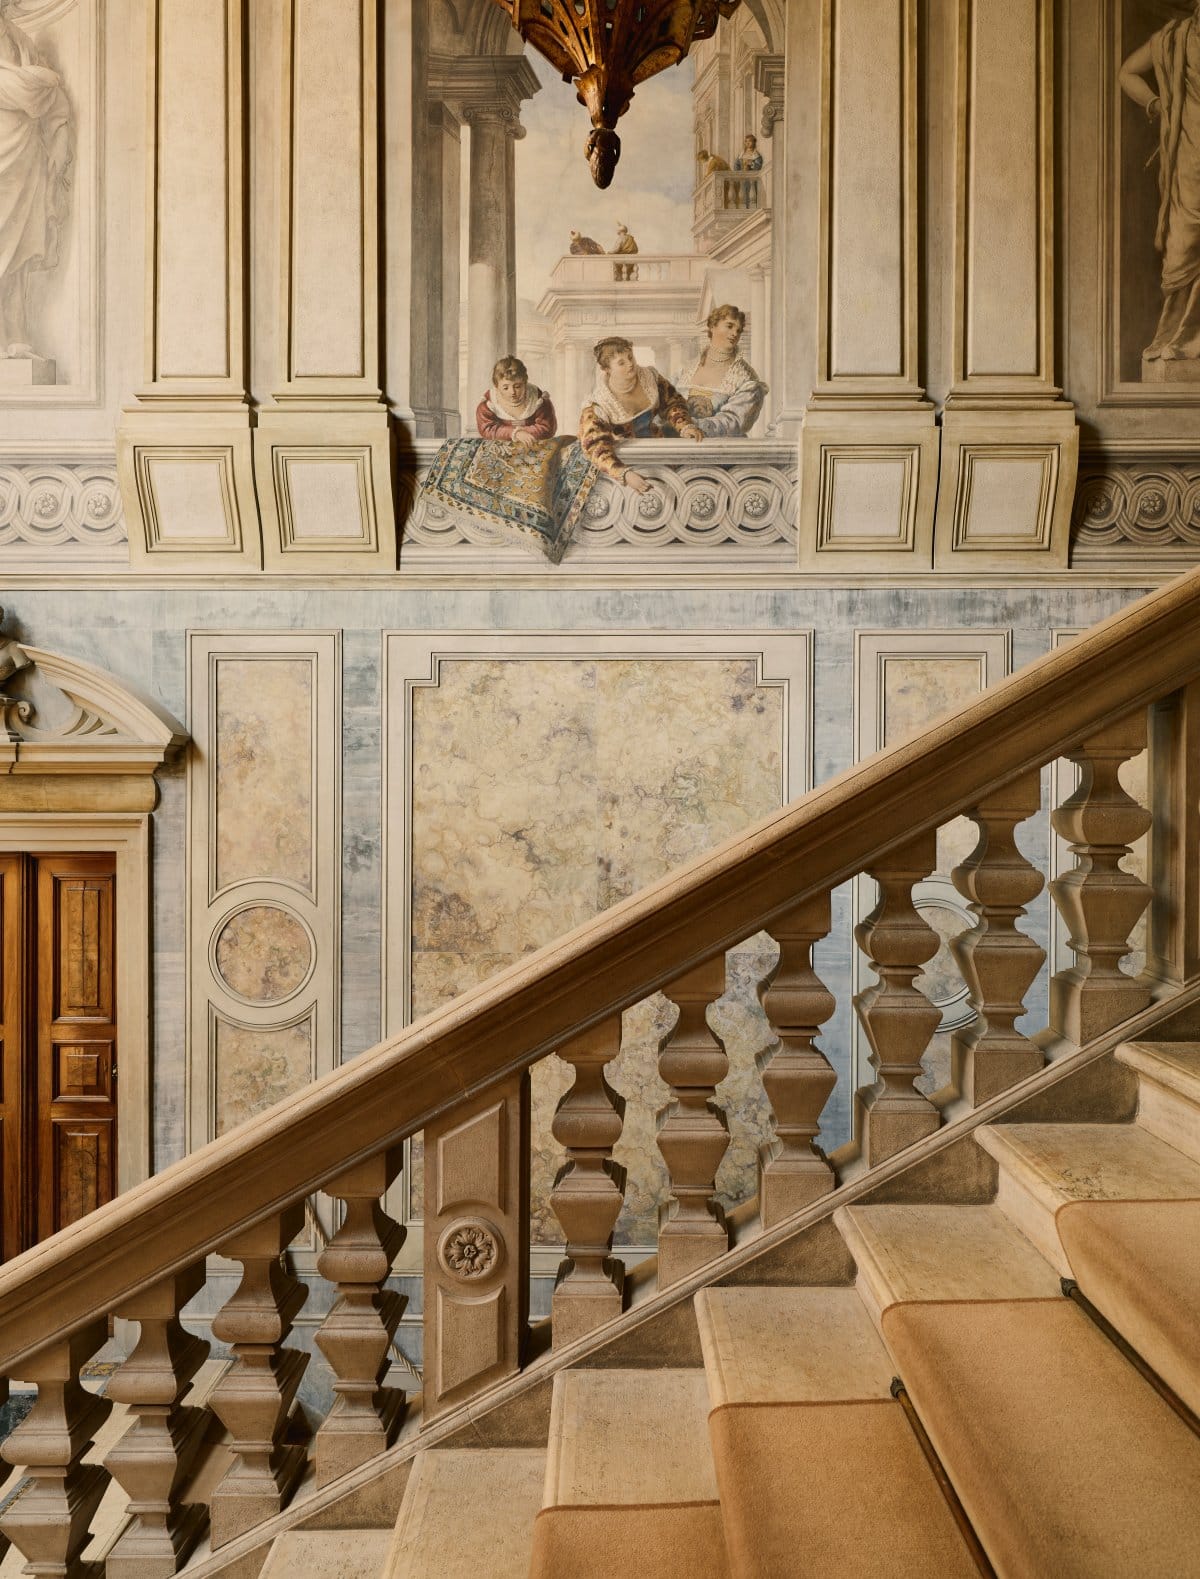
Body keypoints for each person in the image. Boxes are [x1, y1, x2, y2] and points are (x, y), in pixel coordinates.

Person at [1119, 5, 1200, 363]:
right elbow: (1126, 73)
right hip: (1187, 159)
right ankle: (1178, 337)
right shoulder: (1173, 39)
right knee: (1182, 246)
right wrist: (1155, 104)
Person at [0, 0, 72, 361]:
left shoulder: (21, 40)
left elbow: (52, 101)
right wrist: (31, 84)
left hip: (25, 162)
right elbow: (31, 89)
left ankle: (16, 338)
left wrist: (60, 137)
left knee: (18, 257)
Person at [578, 337, 703, 494]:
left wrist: (684, 425)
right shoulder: (598, 404)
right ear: (607, 369)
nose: (630, 364)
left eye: (630, 357)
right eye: (621, 363)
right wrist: (624, 474)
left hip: (655, 447)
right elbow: (596, 446)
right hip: (622, 458)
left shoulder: (649, 378)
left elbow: (672, 402)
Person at [674, 305, 767, 437]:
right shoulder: (686, 370)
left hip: (721, 446)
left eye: (738, 330)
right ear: (713, 326)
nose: (735, 334)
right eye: (729, 326)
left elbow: (732, 422)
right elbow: (666, 404)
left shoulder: (745, 378)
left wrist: (687, 425)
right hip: (680, 442)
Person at [475, 356, 557, 447]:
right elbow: (487, 429)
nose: (512, 392)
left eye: (517, 386)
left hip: (532, 445)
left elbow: (547, 428)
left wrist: (524, 432)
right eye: (505, 388)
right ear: (497, 386)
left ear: (525, 383)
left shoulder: (538, 399)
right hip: (501, 448)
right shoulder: (488, 404)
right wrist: (515, 433)